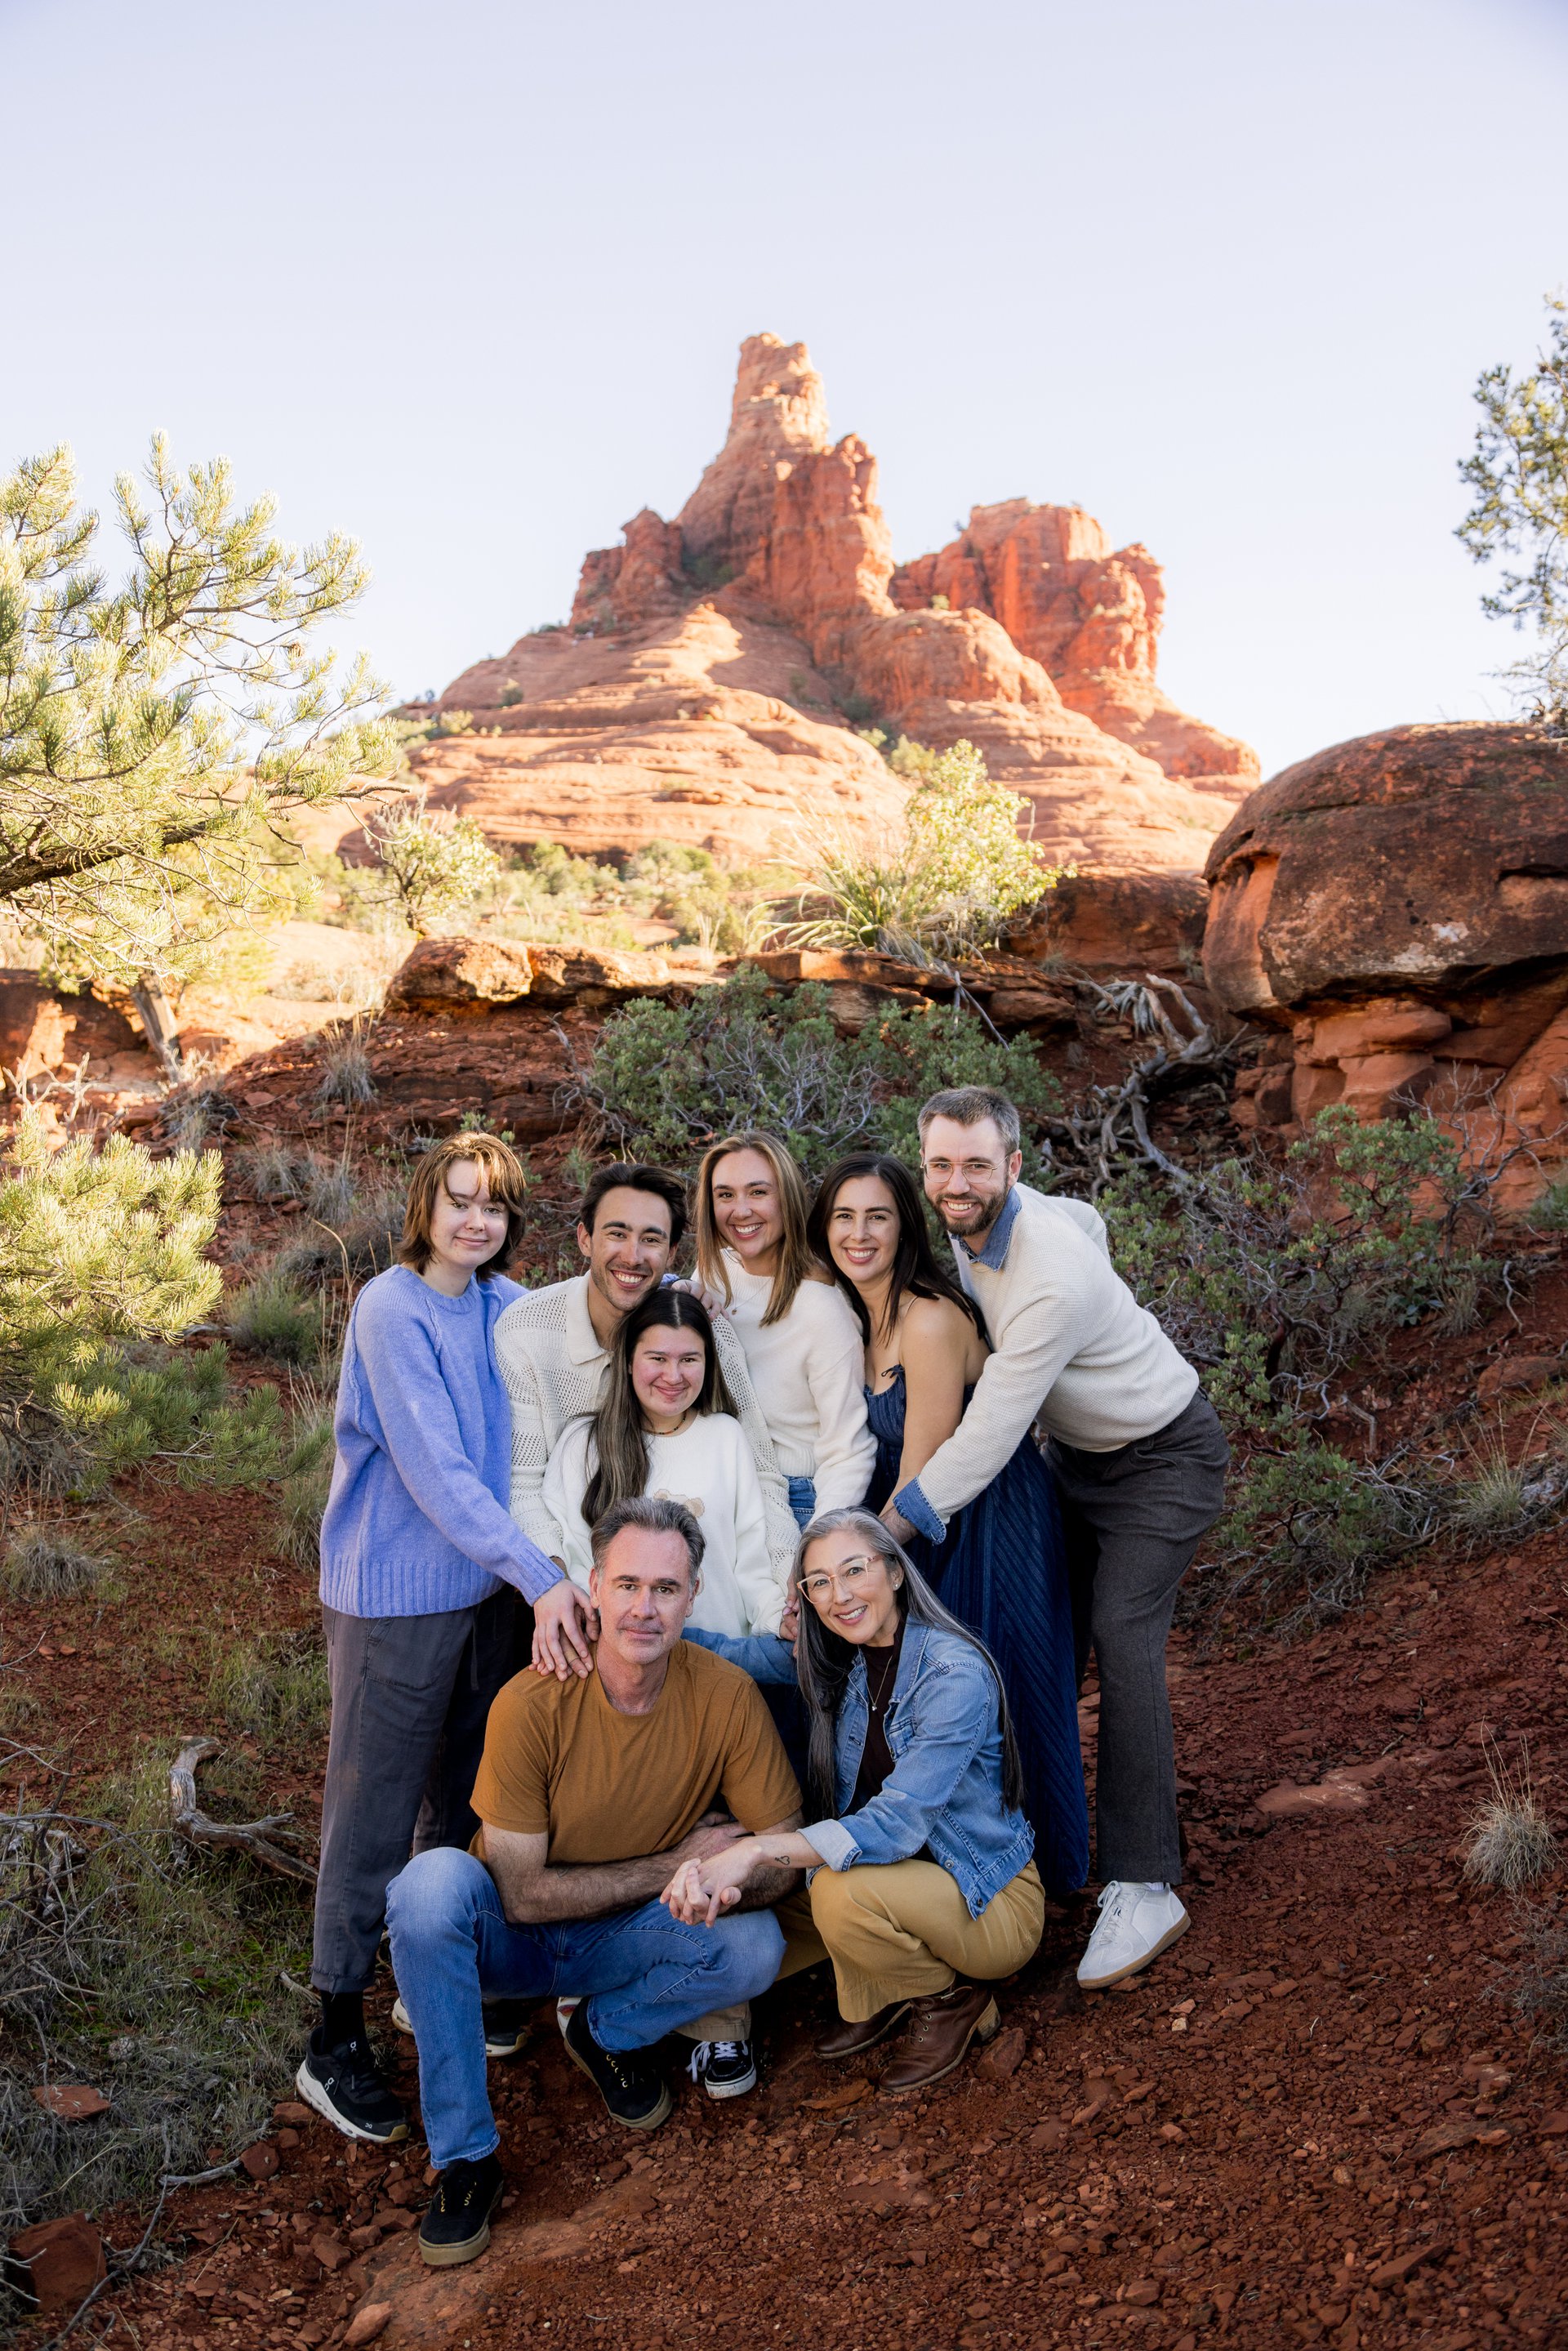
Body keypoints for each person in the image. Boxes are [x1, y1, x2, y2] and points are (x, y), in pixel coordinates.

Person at [385, 1497, 804, 2268]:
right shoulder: (532, 1700)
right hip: (511, 1944)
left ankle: (604, 2030)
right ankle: (465, 2159)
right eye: (628, 1585)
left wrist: (725, 1876)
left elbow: (782, 1850)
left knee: (755, 1945)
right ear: (594, 1586)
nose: (645, 1608)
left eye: (666, 1589)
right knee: (427, 1887)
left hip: (626, 1937)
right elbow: (521, 1895)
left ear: (694, 1595)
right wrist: (674, 1864)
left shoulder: (725, 1696)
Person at [880, 1086, 1229, 1992]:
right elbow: (1088, 1217)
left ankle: (1145, 1882)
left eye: (977, 1166)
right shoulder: (987, 1223)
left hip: (1164, 1460)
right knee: (1045, 1631)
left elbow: (989, 1434)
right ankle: (1036, 1834)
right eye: (941, 1165)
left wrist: (883, 1537)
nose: (956, 1184)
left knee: (1121, 1630)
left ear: (1013, 1166)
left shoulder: (1050, 1275)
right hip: (1080, 1460)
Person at [301, 1133, 593, 2145]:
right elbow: (436, 1470)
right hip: (395, 1597)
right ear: (425, 1205)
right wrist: (544, 1576)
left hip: (489, 1595)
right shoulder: (392, 1308)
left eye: (495, 1206)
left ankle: (431, 1988)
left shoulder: (507, 1306)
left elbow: (600, 1326)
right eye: (459, 1200)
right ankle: (333, 2033)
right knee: (372, 1813)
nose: (476, 1220)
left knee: (465, 1801)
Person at [668, 1509, 1043, 2095]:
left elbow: (897, 1824)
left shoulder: (952, 1675)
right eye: (819, 1581)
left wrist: (758, 1850)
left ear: (894, 1571)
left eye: (853, 1571)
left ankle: (949, 2000)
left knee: (834, 1890)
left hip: (987, 1902)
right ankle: (882, 1988)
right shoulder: (844, 1659)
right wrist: (644, 1626)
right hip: (901, 1884)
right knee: (759, 1909)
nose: (839, 1595)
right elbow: (733, 1656)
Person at [805, 1151, 1088, 1896]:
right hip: (914, 1528)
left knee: (1000, 1681)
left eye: (878, 1217)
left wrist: (843, 1573)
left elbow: (920, 1476)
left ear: (907, 1227)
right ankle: (936, 1871)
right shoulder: (851, 1314)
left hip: (986, 1520)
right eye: (843, 1217)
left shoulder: (927, 1319)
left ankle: (1033, 1880)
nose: (859, 1234)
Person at [496, 1162, 799, 1657]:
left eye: (651, 1239)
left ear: (672, 1252)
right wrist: (555, 1586)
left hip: (720, 1629)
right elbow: (525, 1487)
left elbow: (763, 1482)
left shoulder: (703, 1331)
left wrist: (786, 1598)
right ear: (584, 1238)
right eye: (617, 1233)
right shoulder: (527, 1332)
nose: (633, 1256)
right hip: (601, 1621)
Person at [541, 1289, 785, 1634]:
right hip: (628, 1648)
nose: (673, 1376)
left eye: (689, 1359)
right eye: (657, 1358)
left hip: (725, 1649)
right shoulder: (584, 1443)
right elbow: (576, 1558)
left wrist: (776, 1620)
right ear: (628, 1360)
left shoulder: (726, 1436)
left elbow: (752, 1558)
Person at [691, 1129, 874, 1527]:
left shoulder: (821, 1307)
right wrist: (680, 1296)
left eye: (758, 1192)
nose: (741, 1211)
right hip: (719, 1489)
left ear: (786, 1197)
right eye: (725, 1195)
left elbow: (849, 1450)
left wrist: (820, 1541)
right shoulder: (714, 1272)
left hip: (796, 1499)